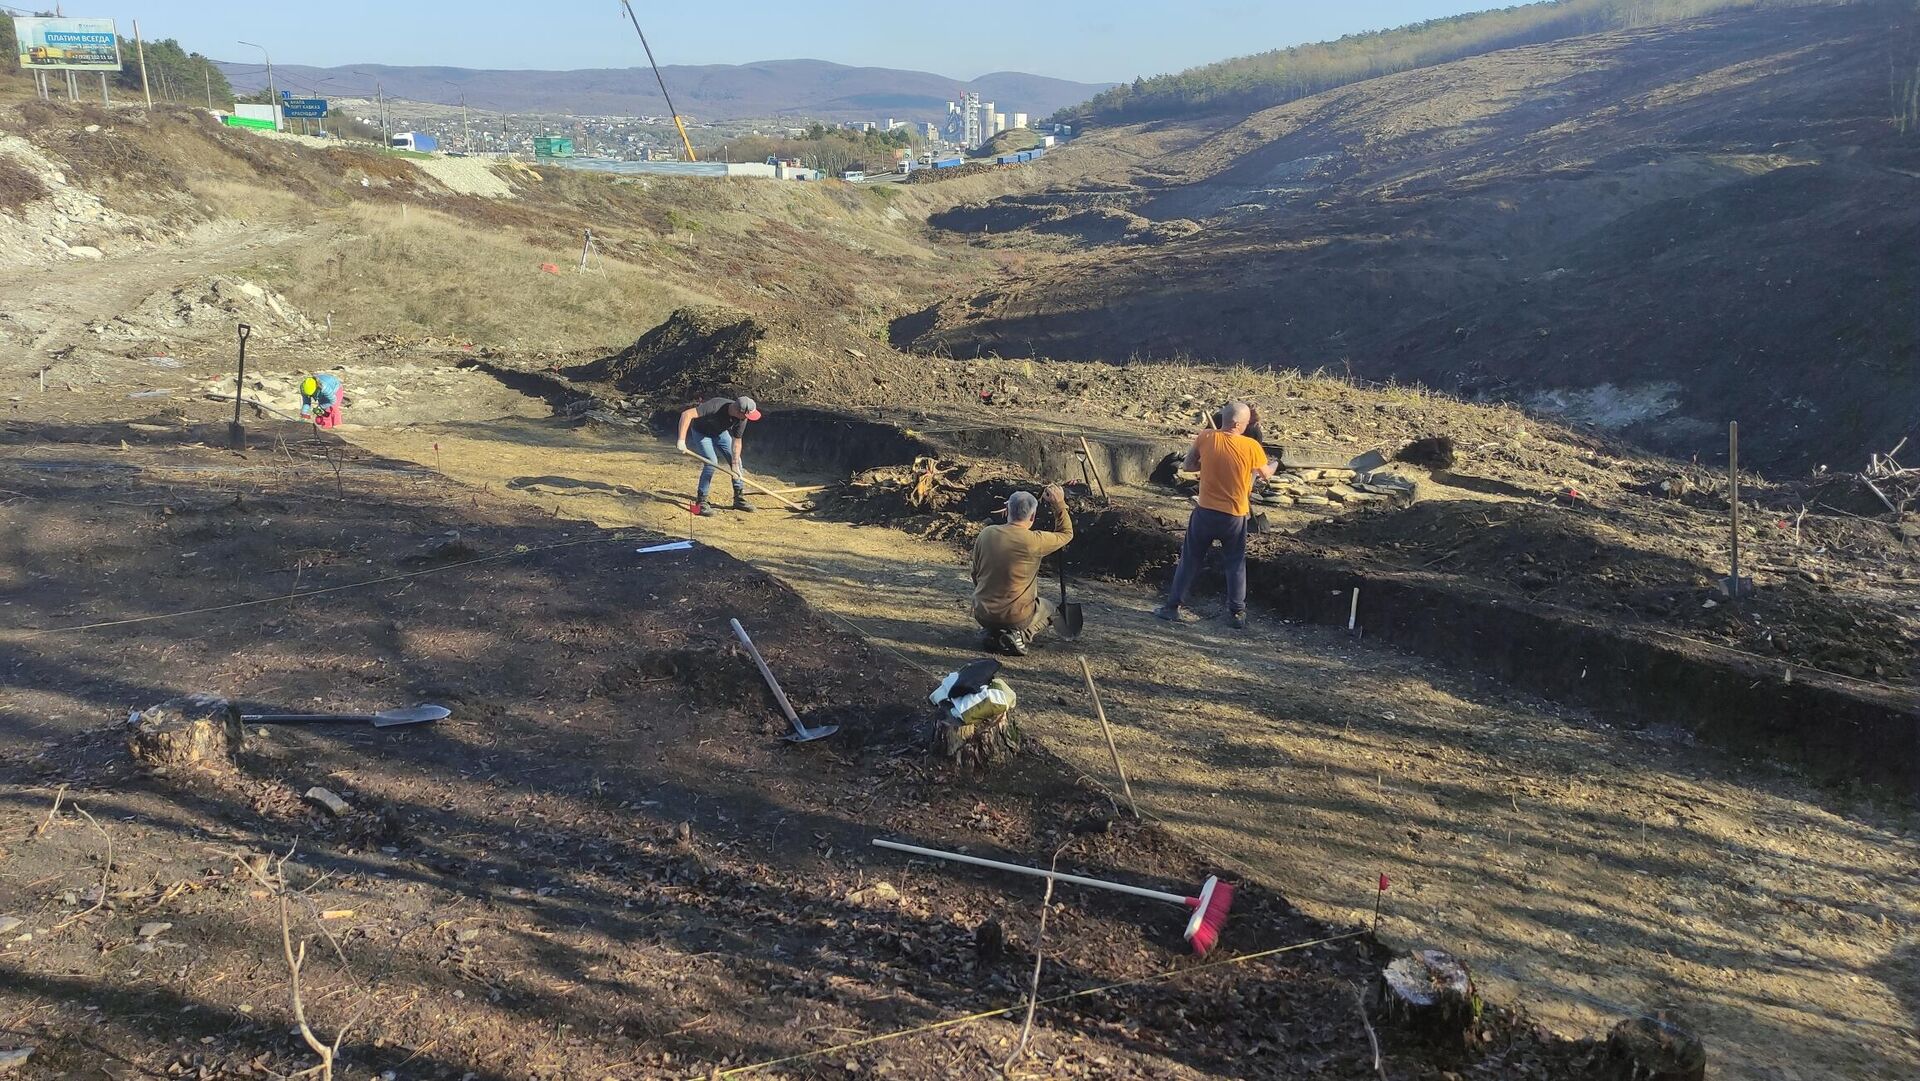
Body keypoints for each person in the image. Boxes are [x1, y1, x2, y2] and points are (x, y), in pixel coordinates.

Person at [1156, 401, 1276, 629]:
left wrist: (1210, 463)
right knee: (1235, 564)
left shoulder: (1206, 437)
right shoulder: (1251, 446)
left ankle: (1172, 607)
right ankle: (1237, 613)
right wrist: (1275, 464)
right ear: (1240, 424)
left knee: (1190, 559)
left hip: (1205, 513)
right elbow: (1265, 474)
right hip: (1234, 517)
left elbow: (1188, 467)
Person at [971, 485, 1073, 656]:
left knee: (996, 609)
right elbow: (1066, 533)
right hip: (1017, 617)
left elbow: (975, 574)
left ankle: (992, 632)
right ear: (1032, 516)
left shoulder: (986, 534)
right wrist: (1059, 504)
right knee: (1051, 609)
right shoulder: (1035, 541)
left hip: (982, 612)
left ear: (1007, 510)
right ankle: (1019, 634)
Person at [675, 395, 762, 514]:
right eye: (746, 415)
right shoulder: (715, 406)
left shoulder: (742, 418)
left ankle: (739, 499)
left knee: (737, 461)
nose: (747, 418)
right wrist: (681, 440)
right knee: (711, 463)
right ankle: (701, 503)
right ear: (739, 411)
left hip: (720, 433)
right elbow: (687, 414)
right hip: (701, 433)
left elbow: (737, 441)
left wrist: (735, 464)